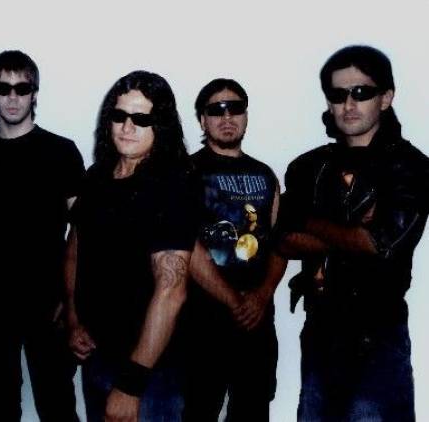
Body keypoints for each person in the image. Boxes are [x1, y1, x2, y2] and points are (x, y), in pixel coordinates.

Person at [277, 45, 429, 421]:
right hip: (319, 330)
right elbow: (281, 238)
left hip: (378, 332)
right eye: (338, 94)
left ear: (386, 98)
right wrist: (351, 230)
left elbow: (379, 243)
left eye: (361, 92)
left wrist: (308, 220)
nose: (349, 104)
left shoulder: (409, 167)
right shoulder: (308, 167)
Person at [65, 70, 198, 422]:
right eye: (119, 115)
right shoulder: (97, 176)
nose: (127, 127)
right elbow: (76, 249)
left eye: (141, 119)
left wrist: (131, 384)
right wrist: (74, 320)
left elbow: (172, 290)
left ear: (160, 126)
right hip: (97, 355)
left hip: (150, 372)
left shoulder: (173, 185)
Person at [0, 50, 84, 421]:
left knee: (57, 406)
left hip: (49, 304)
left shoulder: (61, 152)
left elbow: (84, 231)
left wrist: (73, 300)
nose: (13, 97)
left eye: (22, 88)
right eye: (3, 88)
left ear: (35, 92)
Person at [182, 78, 286, 422]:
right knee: (198, 412)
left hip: (256, 324)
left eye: (235, 109)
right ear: (202, 120)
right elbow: (184, 245)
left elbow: (280, 242)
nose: (227, 117)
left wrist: (262, 295)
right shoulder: (185, 172)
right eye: (216, 110)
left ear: (246, 115)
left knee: (253, 412)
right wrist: (234, 301)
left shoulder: (265, 175)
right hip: (201, 324)